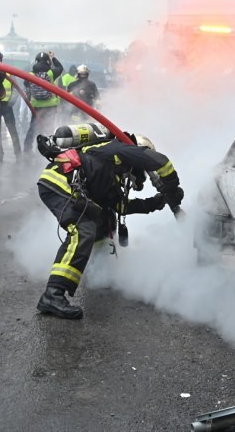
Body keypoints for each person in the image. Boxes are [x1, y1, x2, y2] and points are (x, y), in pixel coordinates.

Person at [34, 124, 185, 319]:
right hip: (58, 181)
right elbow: (161, 161)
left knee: (103, 223)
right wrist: (172, 188)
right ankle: (52, 295)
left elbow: (120, 206)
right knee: (83, 229)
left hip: (71, 188)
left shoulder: (110, 172)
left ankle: (98, 273)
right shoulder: (119, 149)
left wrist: (156, 203)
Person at [22, 51, 62, 154]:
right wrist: (53, 58)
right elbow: (60, 67)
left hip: (36, 106)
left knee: (33, 128)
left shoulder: (30, 74)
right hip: (50, 106)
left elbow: (26, 84)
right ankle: (48, 149)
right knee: (49, 128)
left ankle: (27, 149)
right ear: (48, 62)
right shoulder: (51, 73)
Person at [0, 51, 22, 162]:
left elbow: (16, 90)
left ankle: (18, 155)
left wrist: (11, 103)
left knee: (13, 131)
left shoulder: (8, 72)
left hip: (6, 106)